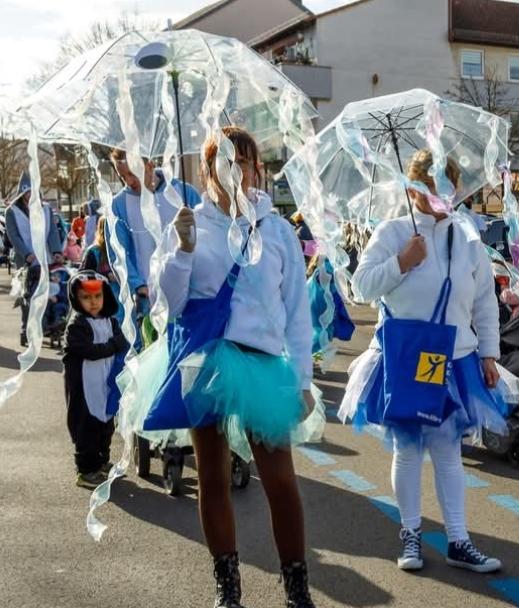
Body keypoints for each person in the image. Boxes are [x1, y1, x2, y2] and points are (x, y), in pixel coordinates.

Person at [131, 126, 317, 607]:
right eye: (228, 162)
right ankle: (227, 589)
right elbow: (169, 306)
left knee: (279, 478)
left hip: (261, 365)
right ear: (210, 168)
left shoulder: (277, 231)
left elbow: (298, 313)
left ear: (259, 169)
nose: (241, 172)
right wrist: (182, 251)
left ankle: (297, 589)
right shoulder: (189, 223)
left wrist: (301, 380)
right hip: (205, 360)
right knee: (211, 475)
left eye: (249, 163)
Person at [350, 148, 506, 575]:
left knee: (448, 451)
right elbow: (361, 286)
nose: (436, 196)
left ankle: (458, 540)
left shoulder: (467, 236)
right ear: (411, 188)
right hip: (405, 356)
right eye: (427, 187)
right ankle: (411, 535)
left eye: (444, 187)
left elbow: (484, 300)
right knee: (408, 449)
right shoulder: (393, 231)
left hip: (454, 358)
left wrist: (489, 353)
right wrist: (403, 262)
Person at [107, 149, 200, 339]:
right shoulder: (119, 205)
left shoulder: (183, 192)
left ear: (149, 165)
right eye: (122, 176)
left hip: (188, 290)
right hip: (147, 297)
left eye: (132, 174)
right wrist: (138, 285)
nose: (129, 182)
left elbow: (204, 236)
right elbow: (118, 252)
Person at [62, 271, 128, 489]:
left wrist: (117, 345)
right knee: (86, 424)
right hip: (85, 384)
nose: (93, 302)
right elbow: (88, 350)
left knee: (105, 422)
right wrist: (111, 347)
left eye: (97, 296)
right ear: (76, 299)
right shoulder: (77, 324)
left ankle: (101, 462)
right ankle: (85, 469)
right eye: (86, 297)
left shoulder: (109, 320)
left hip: (104, 382)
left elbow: (122, 341)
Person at [5, 172, 64, 346]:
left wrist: (56, 251)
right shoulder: (12, 212)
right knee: (27, 294)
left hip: (44, 258)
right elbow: (13, 236)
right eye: (27, 191)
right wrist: (26, 254)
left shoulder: (46, 210)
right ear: (22, 193)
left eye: (33, 191)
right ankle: (27, 327)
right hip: (26, 262)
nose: (30, 195)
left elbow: (52, 233)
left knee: (49, 290)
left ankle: (49, 322)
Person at [81, 217, 122, 314]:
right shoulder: (94, 252)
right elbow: (83, 276)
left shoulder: (123, 251)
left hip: (123, 303)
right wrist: (106, 276)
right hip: (103, 303)